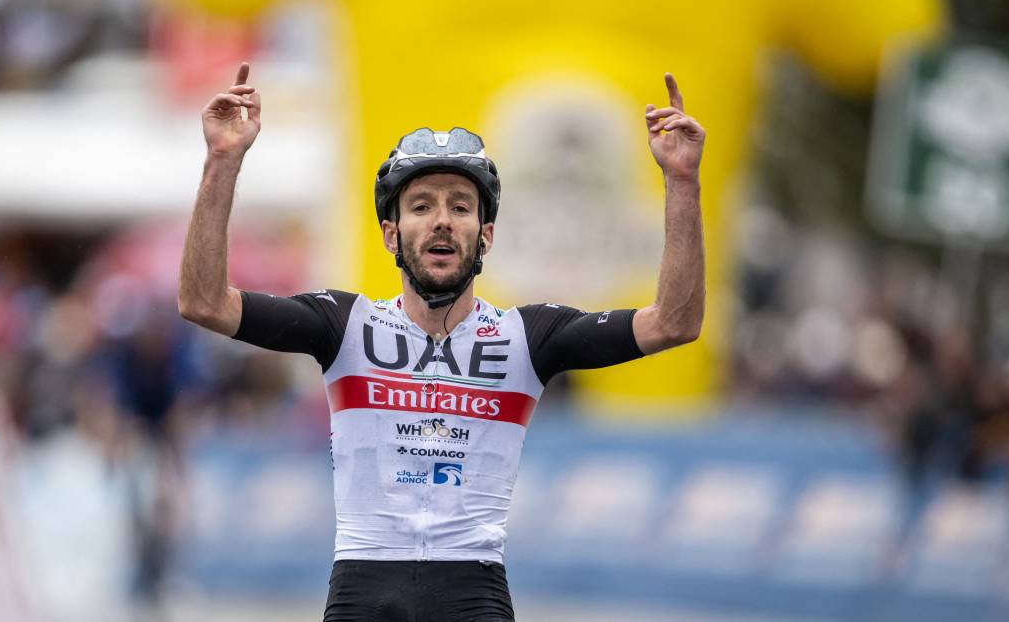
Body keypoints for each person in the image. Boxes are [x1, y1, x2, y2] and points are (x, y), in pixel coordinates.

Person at [178, 62, 705, 622]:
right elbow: (203, 302)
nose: (442, 221)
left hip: (472, 591)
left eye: (460, 206)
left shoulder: (528, 336)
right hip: (363, 586)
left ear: (487, 235)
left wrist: (681, 182)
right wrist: (221, 162)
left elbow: (674, 322)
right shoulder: (343, 323)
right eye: (421, 205)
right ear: (390, 233)